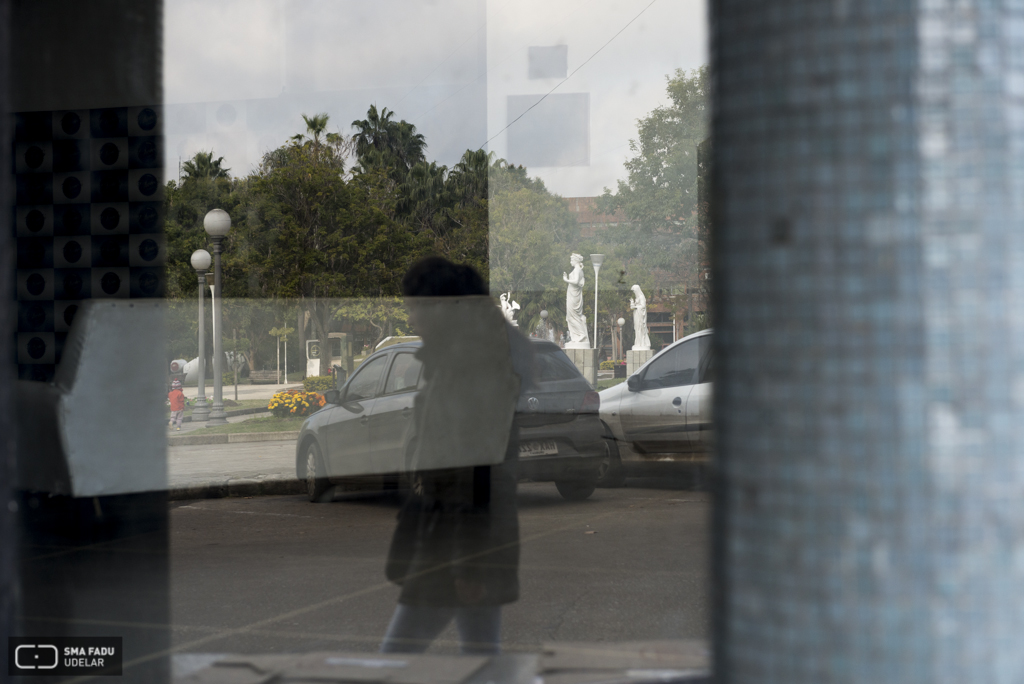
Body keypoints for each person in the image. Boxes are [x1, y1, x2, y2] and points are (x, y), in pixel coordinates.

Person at [380, 257, 532, 655]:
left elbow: (474, 469)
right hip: (463, 540)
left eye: (415, 307)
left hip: (455, 542)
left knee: (396, 656)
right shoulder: (467, 360)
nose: (411, 318)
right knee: (481, 652)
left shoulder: (471, 368)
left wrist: (469, 564)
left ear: (441, 308)